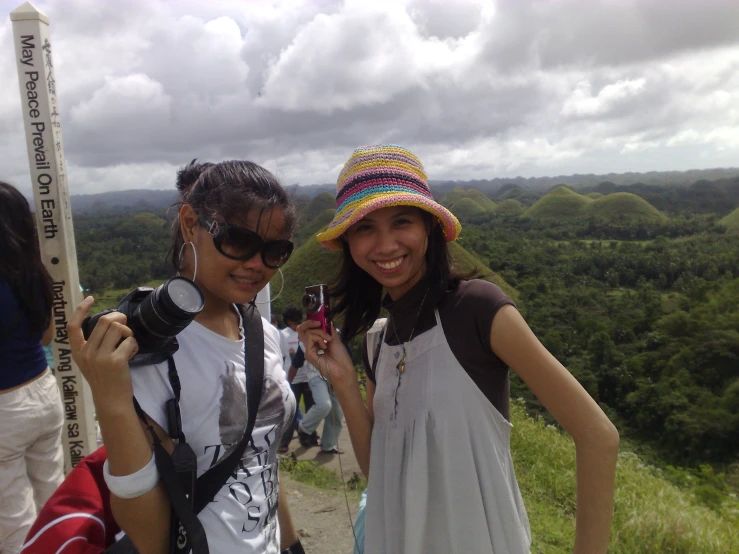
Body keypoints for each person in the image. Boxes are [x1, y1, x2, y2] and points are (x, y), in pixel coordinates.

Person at [298, 145, 620, 554]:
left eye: (401, 221)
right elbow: (381, 472)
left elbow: (598, 437)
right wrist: (342, 380)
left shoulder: (478, 310)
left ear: (429, 228)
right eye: (364, 228)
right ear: (348, 242)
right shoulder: (377, 342)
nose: (385, 245)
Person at [67, 160, 304, 554]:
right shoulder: (145, 348)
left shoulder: (259, 330)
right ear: (190, 222)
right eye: (238, 241)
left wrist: (292, 545)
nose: (256, 264)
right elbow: (150, 537)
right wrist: (111, 400)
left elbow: (260, 460)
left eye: (274, 251)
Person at [0, 181, 65, 554]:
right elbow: (45, 338)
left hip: (6, 408)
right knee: (52, 494)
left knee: (13, 520)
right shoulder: (34, 274)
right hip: (42, 390)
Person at [278, 307, 315, 454]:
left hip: (308, 376)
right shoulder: (282, 335)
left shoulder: (306, 332)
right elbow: (280, 356)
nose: (294, 326)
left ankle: (309, 437)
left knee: (311, 407)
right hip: (291, 378)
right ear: (287, 323)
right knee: (291, 410)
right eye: (291, 323)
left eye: (296, 323)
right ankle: (284, 442)